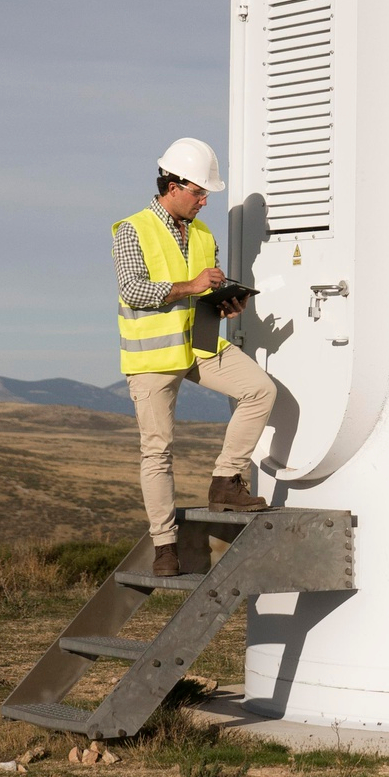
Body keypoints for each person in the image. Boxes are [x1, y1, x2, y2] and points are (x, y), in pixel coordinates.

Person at [113, 137, 277, 576]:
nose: (205, 201)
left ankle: (225, 481)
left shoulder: (203, 234)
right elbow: (132, 290)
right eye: (199, 192)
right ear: (172, 185)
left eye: (206, 193)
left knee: (260, 390)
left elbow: (202, 290)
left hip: (199, 344)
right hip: (152, 357)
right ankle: (165, 547)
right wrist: (192, 285)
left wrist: (225, 301)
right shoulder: (132, 229)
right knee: (158, 451)